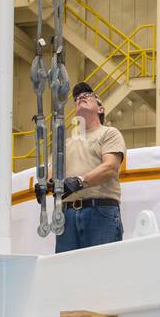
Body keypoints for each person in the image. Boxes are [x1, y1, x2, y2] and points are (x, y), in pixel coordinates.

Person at [38, 82, 126, 253]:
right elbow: (52, 170)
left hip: (101, 212)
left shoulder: (109, 133)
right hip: (67, 216)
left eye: (88, 95)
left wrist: (80, 181)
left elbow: (110, 167)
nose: (81, 97)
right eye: (77, 98)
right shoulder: (65, 144)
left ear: (101, 109)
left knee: (101, 271)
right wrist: (45, 183)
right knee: (67, 274)